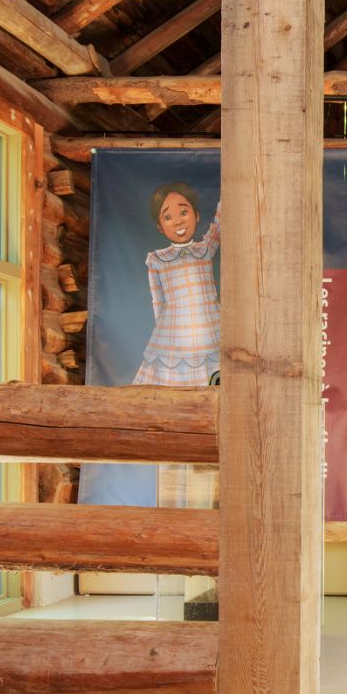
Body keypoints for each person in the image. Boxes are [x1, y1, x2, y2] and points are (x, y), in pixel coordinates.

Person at [133, 183, 222, 521]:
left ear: (196, 215)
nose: (178, 221)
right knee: (172, 413)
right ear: (160, 226)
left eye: (183, 211)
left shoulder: (204, 250)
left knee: (210, 411)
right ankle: (173, 510)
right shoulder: (157, 260)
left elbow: (220, 223)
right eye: (168, 216)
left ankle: (211, 501)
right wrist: (169, 337)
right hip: (174, 341)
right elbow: (159, 303)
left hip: (211, 337)